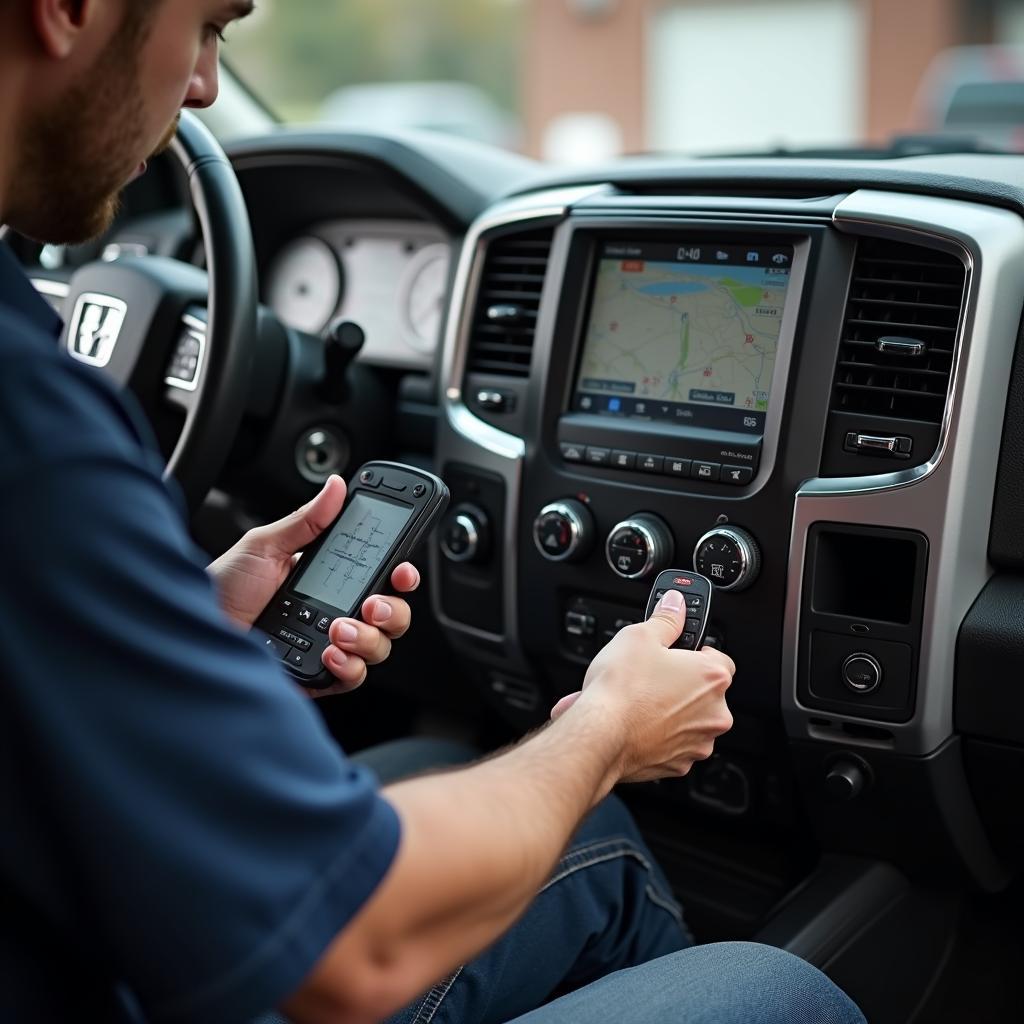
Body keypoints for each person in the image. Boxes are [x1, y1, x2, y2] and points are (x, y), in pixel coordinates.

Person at [0, 2, 867, 1023]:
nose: (205, 87)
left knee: (490, 793)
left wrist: (174, 621)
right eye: (207, 24)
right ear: (66, 10)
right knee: (779, 989)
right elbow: (348, 947)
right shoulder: (33, 428)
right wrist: (607, 728)